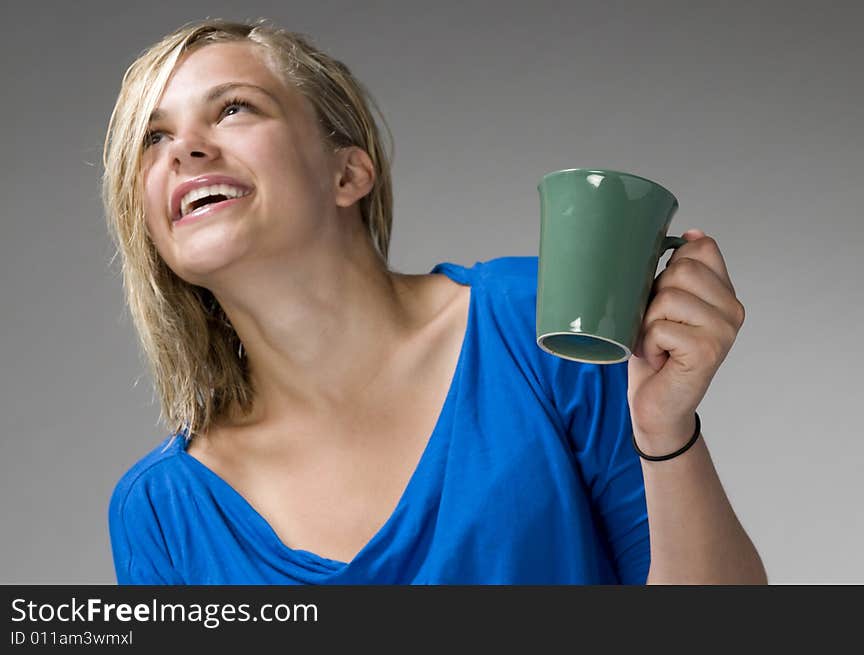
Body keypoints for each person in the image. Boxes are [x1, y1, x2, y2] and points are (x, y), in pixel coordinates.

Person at [104, 18, 767, 585]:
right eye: (152, 138)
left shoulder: (538, 322)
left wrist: (664, 431)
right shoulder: (162, 512)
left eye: (233, 108)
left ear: (349, 172)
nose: (184, 149)